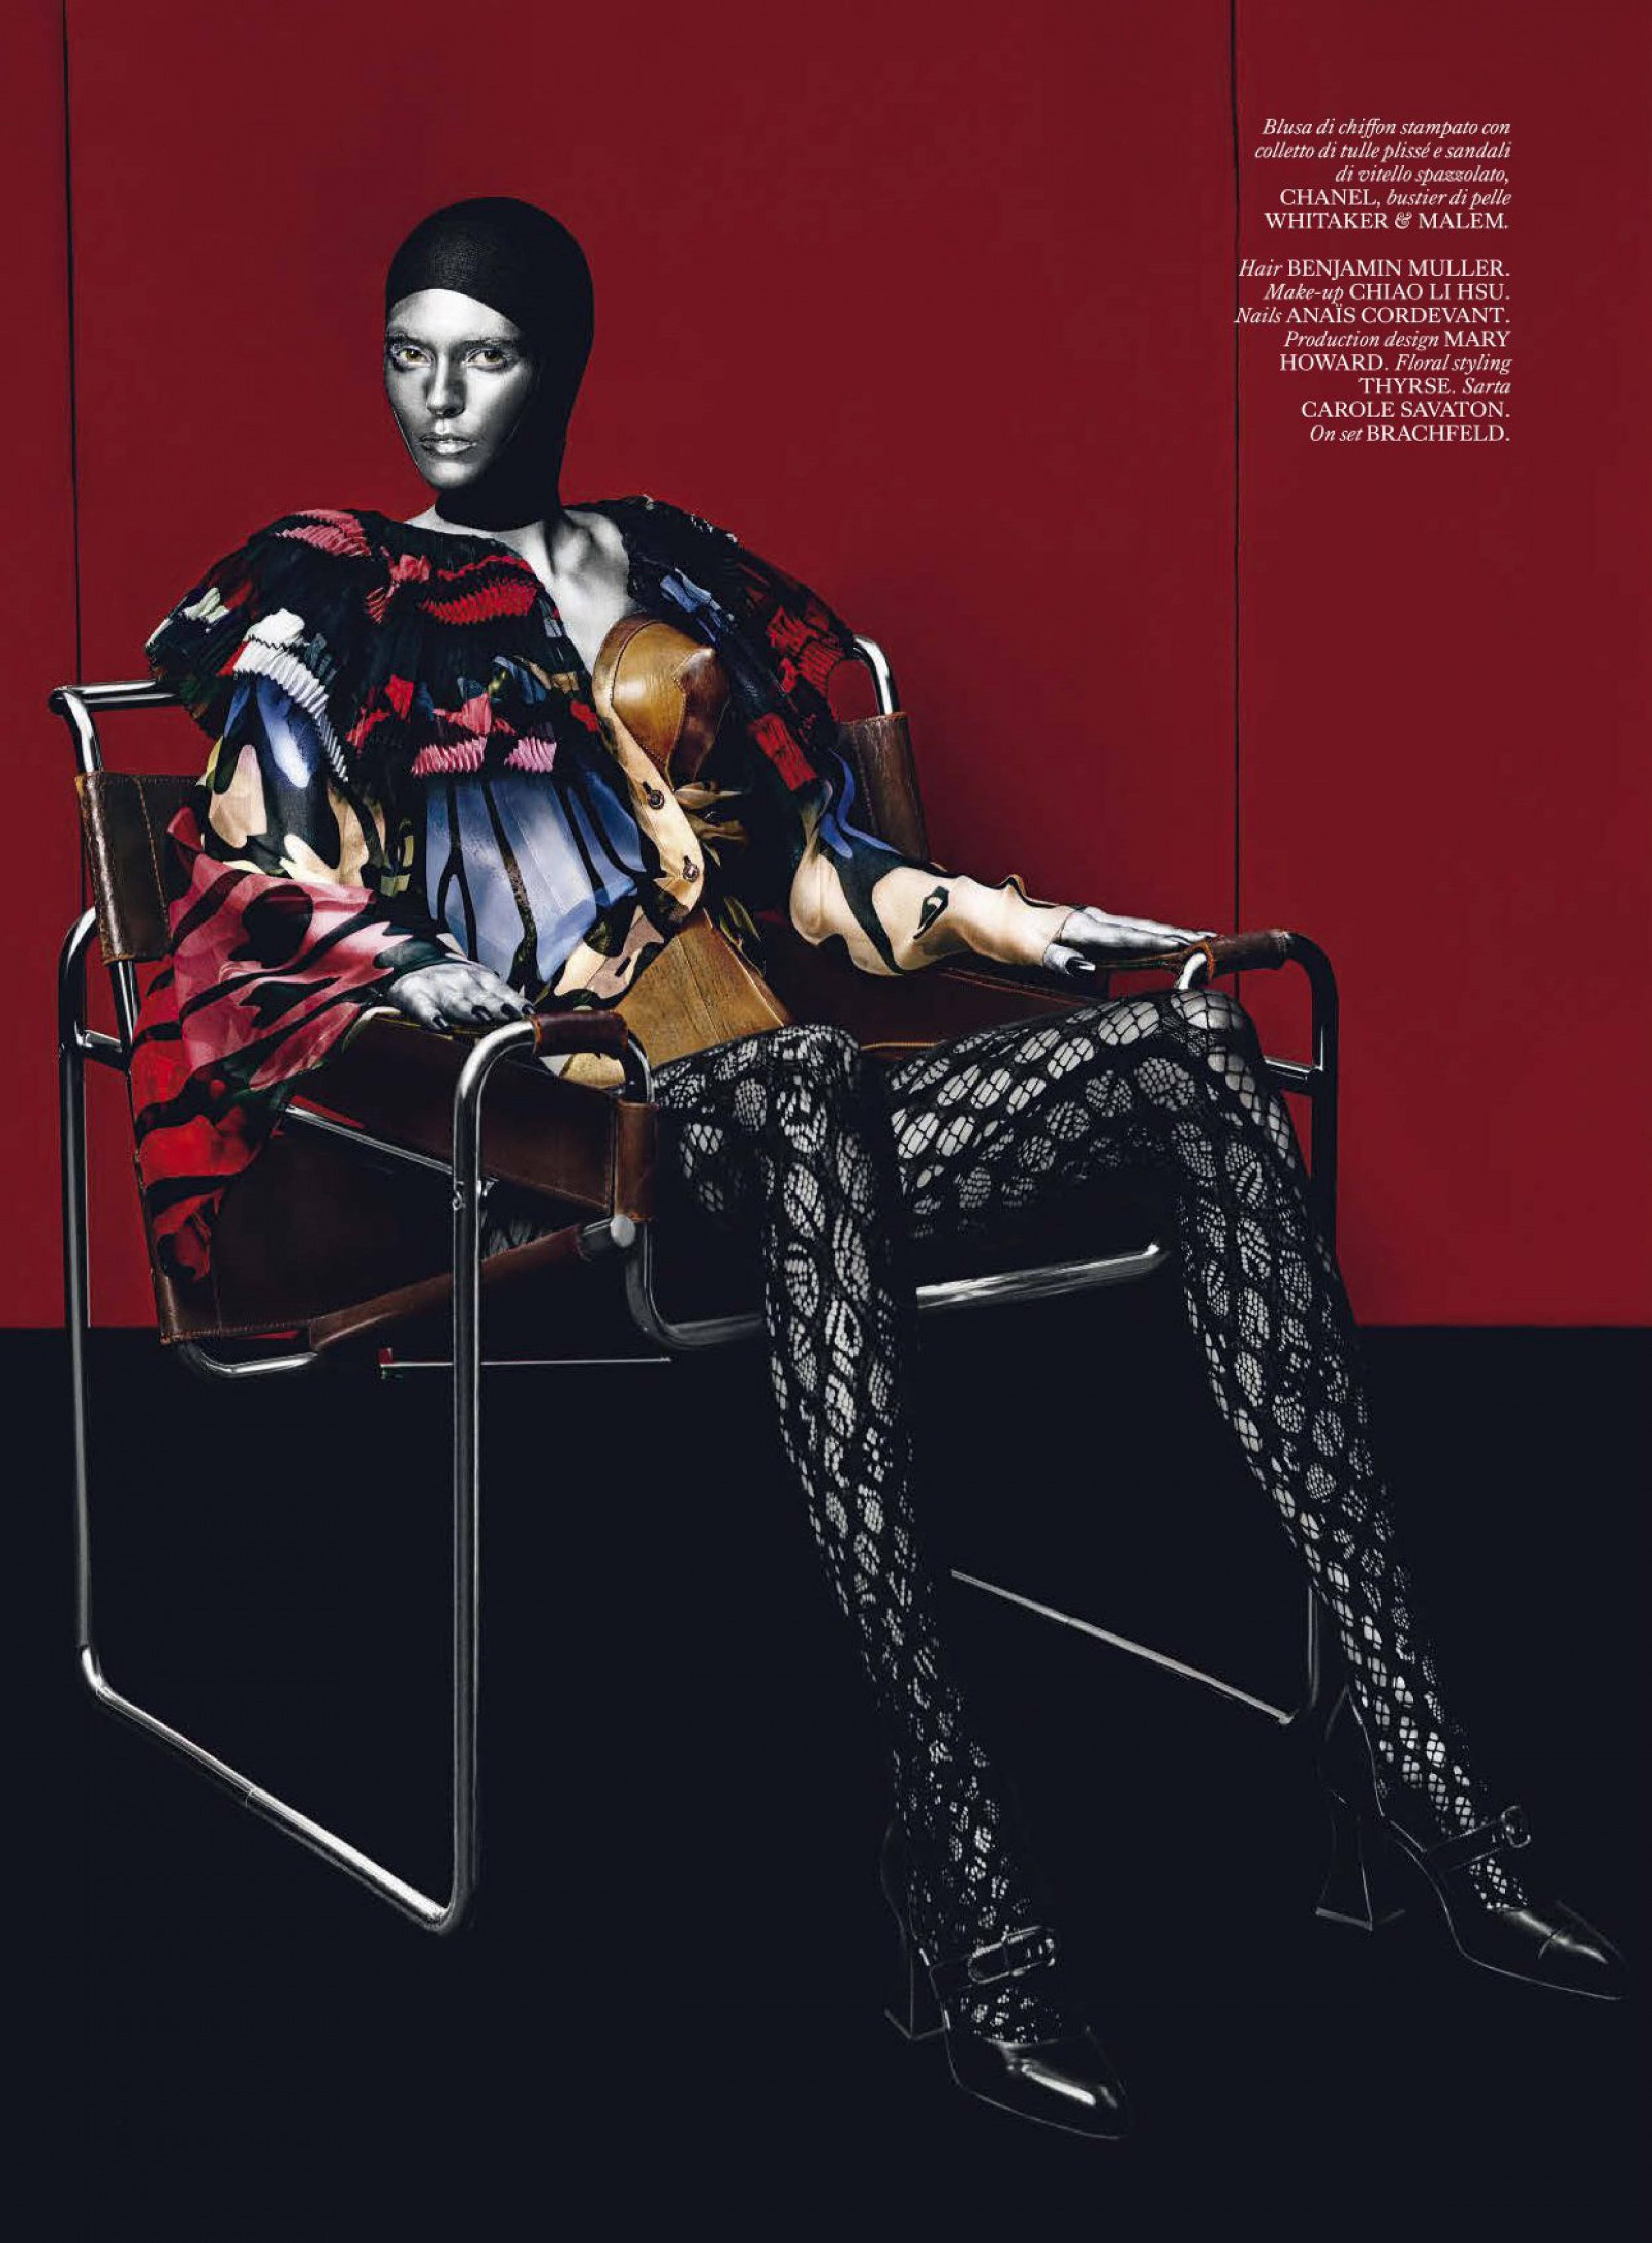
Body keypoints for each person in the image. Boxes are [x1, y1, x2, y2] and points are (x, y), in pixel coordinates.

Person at [132, 196, 1624, 2141]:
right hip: (577, 1117)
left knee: (1189, 1049)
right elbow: (257, 883)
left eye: (479, 356)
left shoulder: (672, 567)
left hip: (795, 1085)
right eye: (408, 354)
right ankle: (962, 1859)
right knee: (809, 1084)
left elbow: (828, 871)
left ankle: (1412, 1763)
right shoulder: (330, 592)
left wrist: (1034, 928)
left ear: (559, 364)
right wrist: (450, 987)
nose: (437, 396)